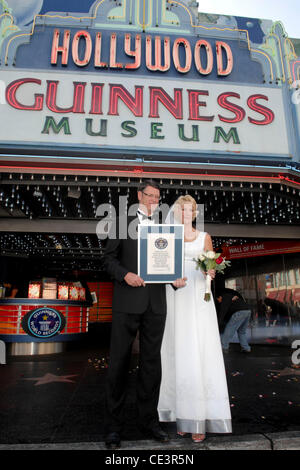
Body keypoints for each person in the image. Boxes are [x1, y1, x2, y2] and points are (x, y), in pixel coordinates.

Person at [103, 179, 186, 449]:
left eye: (158, 197)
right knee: (118, 365)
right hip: (127, 301)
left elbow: (169, 259)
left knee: (152, 366)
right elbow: (108, 259)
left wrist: (175, 278)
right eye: (150, 196)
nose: (154, 201)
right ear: (139, 195)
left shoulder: (165, 223)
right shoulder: (119, 220)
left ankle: (148, 422)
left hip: (155, 304)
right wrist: (125, 274)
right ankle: (114, 427)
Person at [158, 195, 232, 443]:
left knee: (200, 351)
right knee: (178, 351)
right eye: (182, 209)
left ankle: (200, 417)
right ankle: (182, 415)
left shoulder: (205, 237)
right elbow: (162, 266)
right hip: (177, 294)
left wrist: (210, 270)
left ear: (195, 213)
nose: (186, 213)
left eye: (190, 210)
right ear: (177, 212)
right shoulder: (168, 237)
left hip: (199, 295)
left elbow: (211, 266)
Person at [216, 289, 252, 353]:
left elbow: (223, 311)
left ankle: (224, 347)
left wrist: (218, 323)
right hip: (248, 311)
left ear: (220, 297)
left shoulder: (224, 297)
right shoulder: (231, 297)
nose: (218, 301)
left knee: (229, 329)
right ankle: (246, 348)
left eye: (218, 299)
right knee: (241, 332)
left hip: (239, 312)